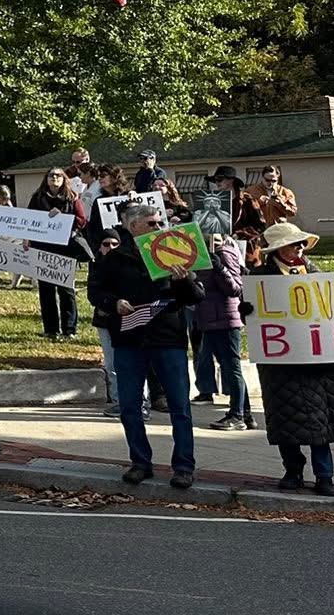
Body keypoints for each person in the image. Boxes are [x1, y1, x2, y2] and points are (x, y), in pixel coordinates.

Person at [87, 201, 200, 488]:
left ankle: (184, 467)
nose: (159, 228)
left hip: (168, 338)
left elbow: (195, 296)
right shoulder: (115, 258)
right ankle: (140, 461)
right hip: (130, 340)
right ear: (133, 226)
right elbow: (95, 290)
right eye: (152, 223)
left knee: (179, 406)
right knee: (130, 406)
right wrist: (114, 303)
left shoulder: (173, 249)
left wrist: (182, 281)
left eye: (160, 222)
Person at [253, 222, 334, 496]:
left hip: (316, 362)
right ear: (278, 249)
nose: (299, 248)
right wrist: (249, 310)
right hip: (280, 363)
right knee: (285, 419)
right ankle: (293, 471)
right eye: (293, 244)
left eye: (301, 244)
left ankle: (325, 476)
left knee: (319, 422)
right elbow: (255, 319)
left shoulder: (315, 275)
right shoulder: (260, 278)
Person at [195, 231, 251, 431]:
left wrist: (218, 267)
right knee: (228, 366)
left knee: (231, 367)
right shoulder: (200, 257)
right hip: (210, 319)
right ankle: (245, 414)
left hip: (225, 320)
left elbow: (235, 288)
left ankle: (237, 415)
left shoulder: (224, 254)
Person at [25, 166, 88, 339]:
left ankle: (69, 329)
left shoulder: (72, 198)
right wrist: (26, 238)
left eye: (58, 175)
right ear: (46, 179)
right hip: (43, 247)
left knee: (66, 290)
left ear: (64, 179)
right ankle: (51, 329)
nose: (55, 178)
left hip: (64, 248)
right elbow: (29, 221)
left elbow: (82, 221)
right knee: (46, 290)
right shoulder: (37, 198)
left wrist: (63, 217)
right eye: (51, 175)